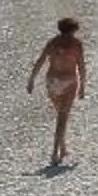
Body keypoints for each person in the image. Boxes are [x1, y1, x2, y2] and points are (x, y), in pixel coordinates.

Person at [27, 16, 88, 168]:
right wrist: (82, 87)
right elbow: (81, 66)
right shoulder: (76, 44)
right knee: (62, 117)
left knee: (60, 113)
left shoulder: (53, 42)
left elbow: (40, 60)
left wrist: (31, 80)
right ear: (74, 30)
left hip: (52, 81)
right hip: (68, 82)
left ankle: (63, 148)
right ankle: (55, 152)